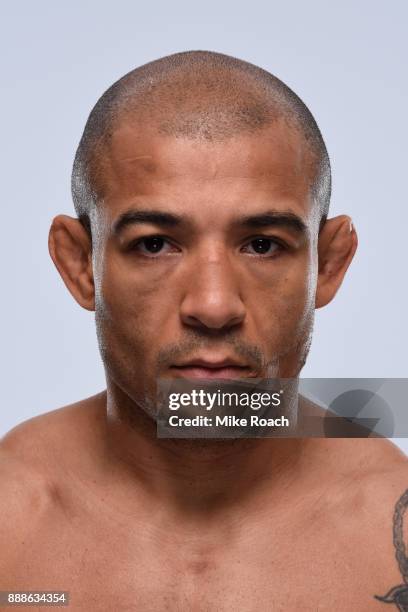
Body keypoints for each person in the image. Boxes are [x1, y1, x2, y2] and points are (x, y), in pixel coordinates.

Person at [0, 50, 406, 611]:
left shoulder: (392, 531)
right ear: (79, 266)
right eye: (154, 244)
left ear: (328, 264)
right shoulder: (10, 522)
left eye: (262, 244)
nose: (213, 306)